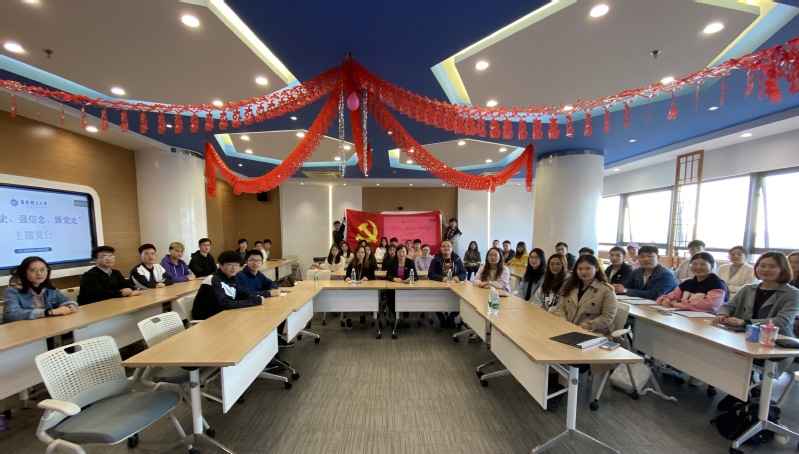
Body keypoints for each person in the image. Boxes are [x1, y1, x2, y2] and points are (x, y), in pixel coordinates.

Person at [714, 251, 799, 377]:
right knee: (720, 357)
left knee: (740, 368)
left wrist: (745, 322)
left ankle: (754, 387)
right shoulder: (748, 289)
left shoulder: (792, 293)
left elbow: (782, 320)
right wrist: (722, 315)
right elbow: (728, 306)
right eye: (762, 265)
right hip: (742, 338)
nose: (766, 269)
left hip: (774, 343)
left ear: (783, 269)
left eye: (772, 266)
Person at [550, 254, 618, 410]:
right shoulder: (571, 286)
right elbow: (560, 308)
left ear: (596, 269)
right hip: (569, 330)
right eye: (580, 269)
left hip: (593, 334)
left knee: (567, 352)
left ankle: (561, 389)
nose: (583, 272)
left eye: (588, 268)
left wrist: (583, 327)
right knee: (547, 344)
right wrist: (565, 323)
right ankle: (551, 380)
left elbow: (607, 317)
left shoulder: (606, 290)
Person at [236, 250, 292, 347]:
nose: (255, 263)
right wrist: (269, 293)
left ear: (262, 263)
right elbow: (247, 293)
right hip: (246, 307)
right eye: (252, 260)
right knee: (275, 314)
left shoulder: (259, 274)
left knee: (281, 312)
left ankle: (277, 339)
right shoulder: (240, 276)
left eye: (258, 261)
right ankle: (271, 343)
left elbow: (271, 282)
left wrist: (273, 288)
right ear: (246, 261)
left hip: (258, 303)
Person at [191, 251, 265, 320]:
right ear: (221, 265)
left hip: (224, 314)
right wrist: (254, 302)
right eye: (230, 264)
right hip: (208, 318)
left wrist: (255, 298)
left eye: (237, 265)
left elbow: (242, 294)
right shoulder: (213, 279)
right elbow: (224, 304)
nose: (234, 268)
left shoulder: (232, 277)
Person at [3, 256, 78, 323]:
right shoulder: (12, 291)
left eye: (43, 269)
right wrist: (48, 312)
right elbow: (13, 314)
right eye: (33, 270)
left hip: (46, 324)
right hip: (18, 328)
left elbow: (66, 300)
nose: (39, 273)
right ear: (24, 272)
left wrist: (70, 306)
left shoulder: (49, 286)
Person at [657, 252, 728, 312]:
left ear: (711, 266)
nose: (698, 267)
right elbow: (672, 296)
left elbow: (709, 306)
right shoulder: (687, 283)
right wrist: (664, 300)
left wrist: (677, 305)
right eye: (694, 264)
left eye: (703, 264)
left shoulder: (717, 285)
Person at [429, 240, 467, 327]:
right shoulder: (436, 259)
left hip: (455, 287)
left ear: (452, 248)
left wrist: (459, 277)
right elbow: (431, 274)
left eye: (448, 246)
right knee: (435, 301)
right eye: (444, 246)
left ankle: (451, 317)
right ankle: (441, 318)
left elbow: (463, 273)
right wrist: (441, 278)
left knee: (461, 301)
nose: (446, 248)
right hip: (439, 287)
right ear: (440, 248)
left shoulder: (457, 259)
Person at [343, 245, 376, 329]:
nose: (360, 254)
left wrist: (367, 278)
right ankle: (348, 318)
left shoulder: (369, 265)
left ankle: (362, 315)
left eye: (362, 252)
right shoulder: (351, 265)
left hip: (364, 288)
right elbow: (346, 276)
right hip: (352, 288)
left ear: (365, 253)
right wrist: (347, 278)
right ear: (355, 253)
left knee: (362, 298)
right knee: (349, 299)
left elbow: (373, 277)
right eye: (358, 252)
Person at [385, 245, 417, 326]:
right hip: (394, 287)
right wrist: (394, 279)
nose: (401, 254)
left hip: (407, 287)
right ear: (396, 253)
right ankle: (396, 317)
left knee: (407, 299)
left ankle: (406, 317)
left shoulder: (410, 262)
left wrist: (411, 279)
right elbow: (388, 276)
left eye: (403, 252)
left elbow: (416, 276)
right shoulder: (391, 262)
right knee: (390, 298)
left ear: (406, 253)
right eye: (399, 252)